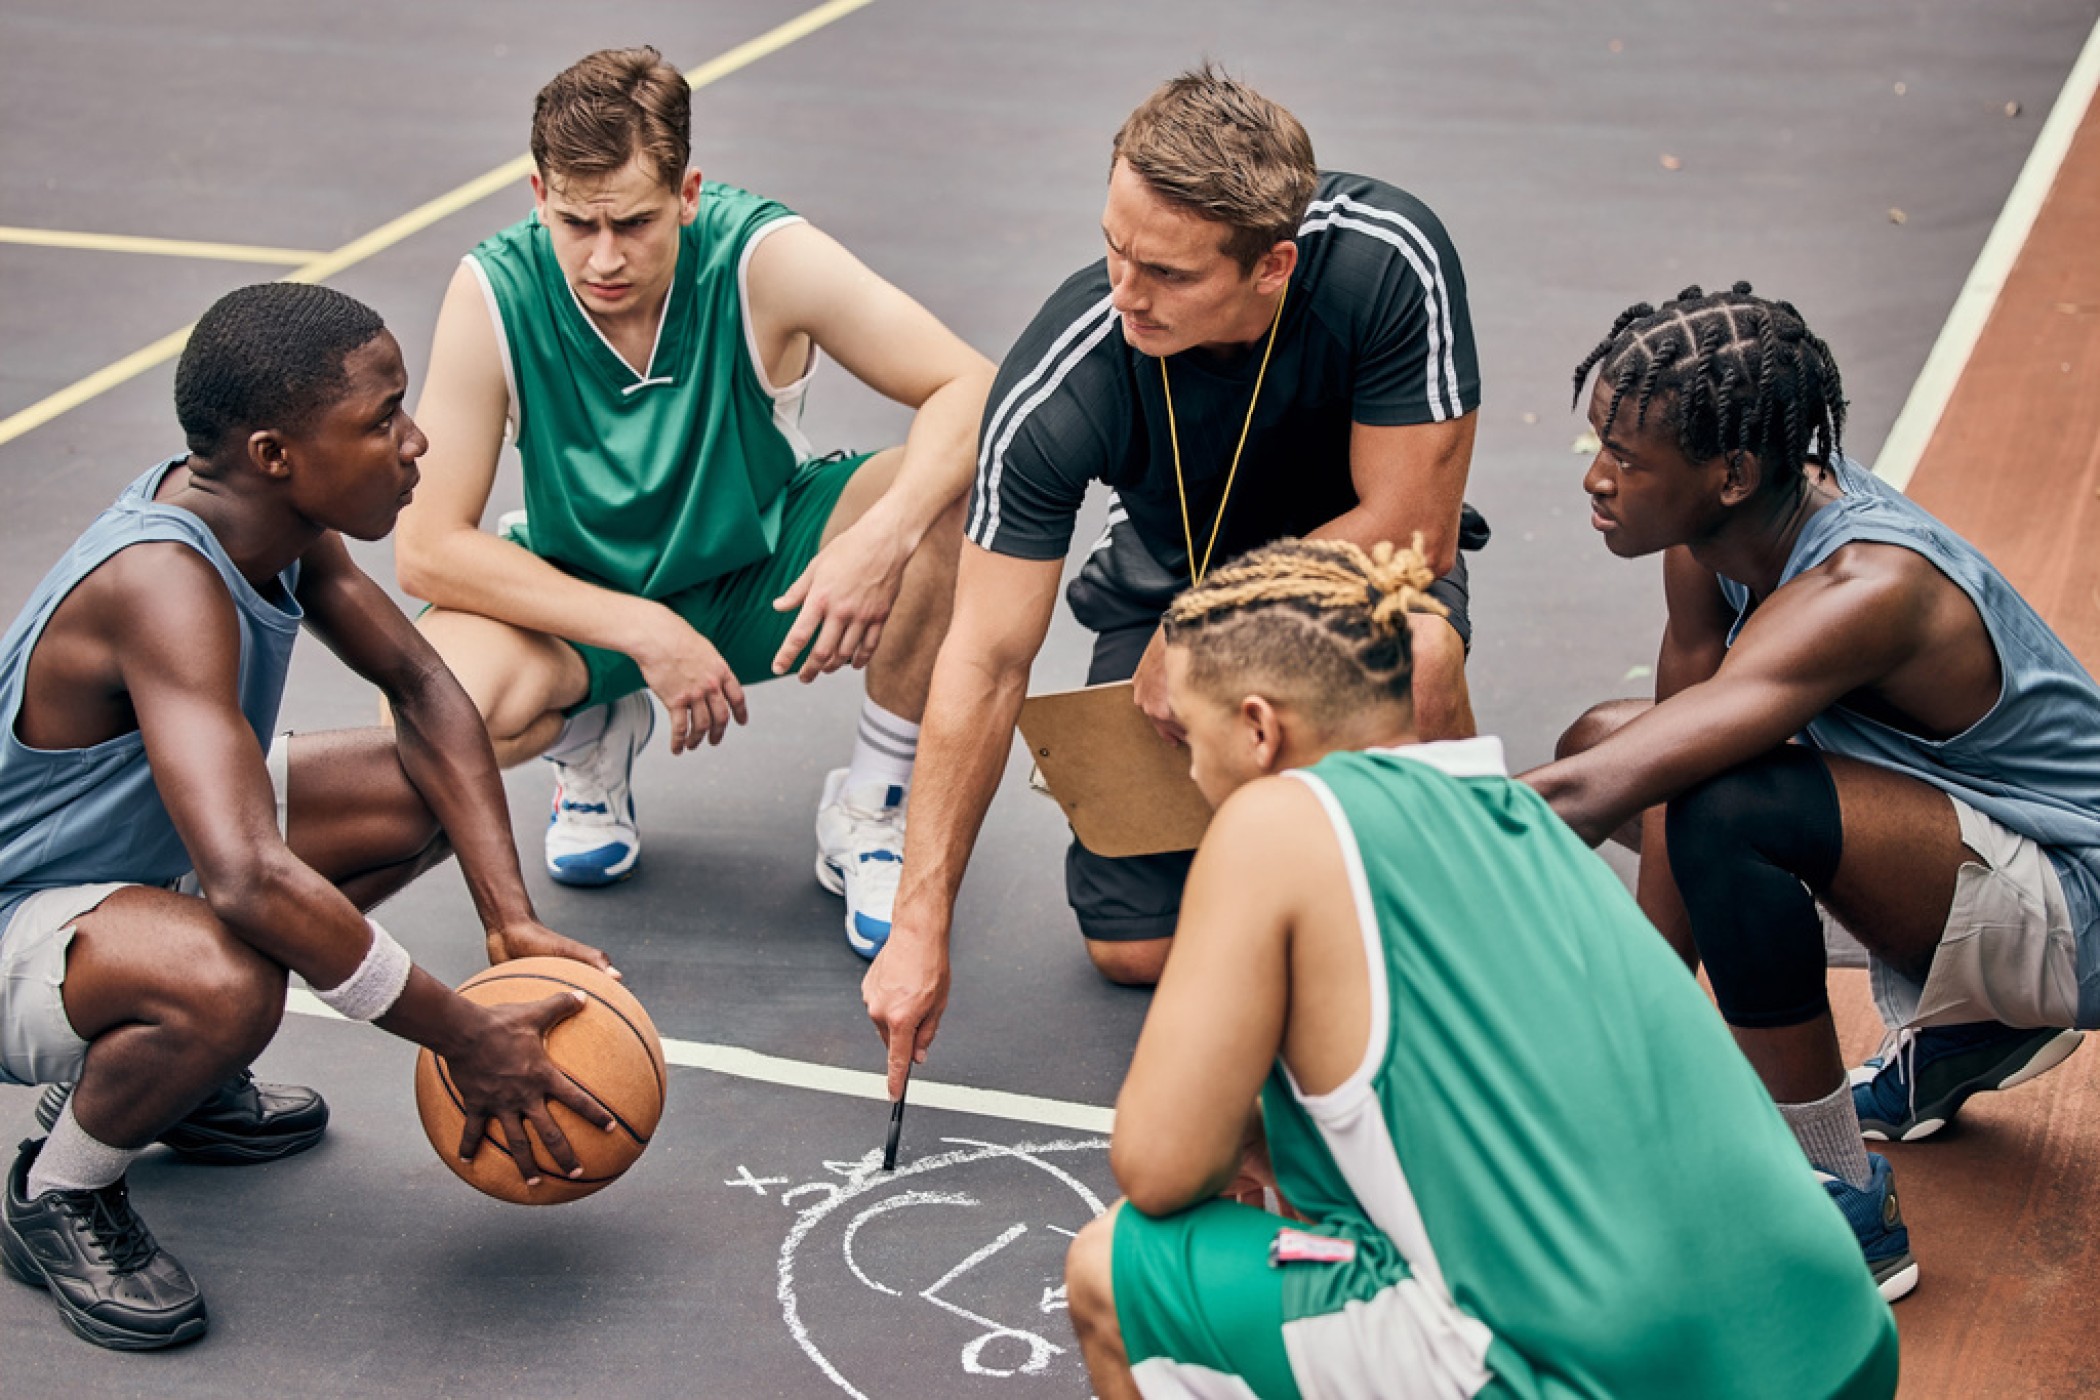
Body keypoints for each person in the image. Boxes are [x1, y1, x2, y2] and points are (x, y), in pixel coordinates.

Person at [1062, 537, 1898, 1400]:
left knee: (1115, 1271)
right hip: (1834, 1344)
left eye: (1190, 741)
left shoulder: (1277, 816)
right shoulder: (1515, 816)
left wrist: (1237, 1126)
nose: (1194, 773)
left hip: (1593, 1381)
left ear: (1258, 728)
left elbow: (1159, 1168)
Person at [0, 283, 621, 1351]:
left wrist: (509, 920)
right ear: (275, 451)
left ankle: (169, 1081)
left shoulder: (277, 522)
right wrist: (465, 1034)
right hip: (19, 916)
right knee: (232, 977)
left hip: (134, 856)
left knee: (419, 790)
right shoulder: (163, 580)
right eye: (382, 419)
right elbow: (247, 879)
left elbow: (428, 692)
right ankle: (59, 1188)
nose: (414, 439)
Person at [867, 65, 1488, 1086]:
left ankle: (1472, 925)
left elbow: (1414, 531)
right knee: (1132, 949)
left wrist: (1205, 622)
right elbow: (981, 659)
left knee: (1423, 660)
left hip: (1355, 575)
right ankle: (1297, 917)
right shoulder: (1066, 380)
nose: (1126, 294)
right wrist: (918, 924)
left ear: (1271, 264)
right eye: (1115, 248)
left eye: (1167, 273)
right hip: (1167, 591)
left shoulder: (1388, 262)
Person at [1525, 283, 2097, 1299]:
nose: (1598, 480)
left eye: (1627, 457)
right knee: (1621, 743)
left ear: (1731, 471)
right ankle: (1976, 1024)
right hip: (1984, 857)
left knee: (1732, 806)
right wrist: (1644, 1029)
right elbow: (1655, 763)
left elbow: (1629, 793)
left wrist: (1370, 825)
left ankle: (1838, 1186)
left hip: (2079, 898)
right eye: (1597, 445)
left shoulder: (1866, 586)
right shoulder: (1721, 535)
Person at [397, 47, 993, 956]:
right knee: (430, 715)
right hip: (588, 600)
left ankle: (874, 805)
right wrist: (643, 630)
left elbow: (972, 388)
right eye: (573, 222)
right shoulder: (494, 293)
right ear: (537, 195)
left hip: (762, 570)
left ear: (687, 192)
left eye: (633, 222)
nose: (603, 257)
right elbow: (427, 548)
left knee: (952, 493)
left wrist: (881, 544)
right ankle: (594, 735)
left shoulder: (762, 257)